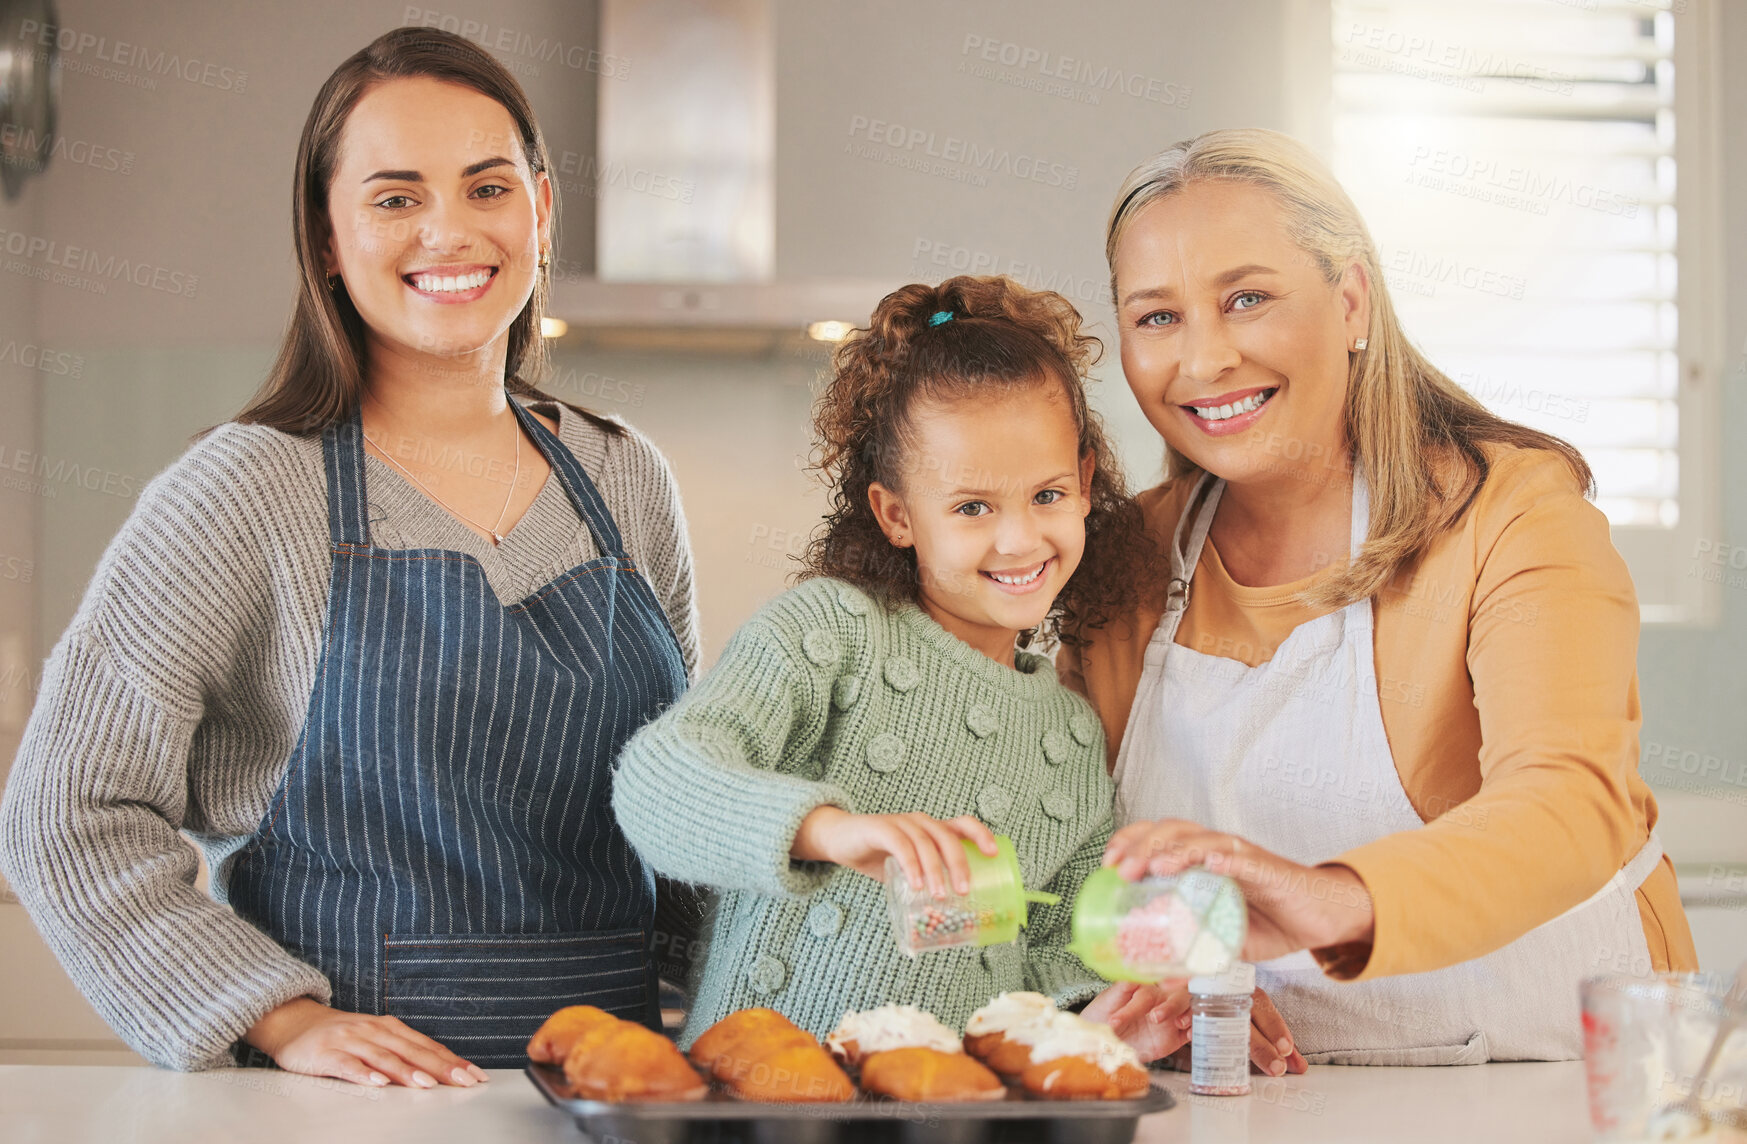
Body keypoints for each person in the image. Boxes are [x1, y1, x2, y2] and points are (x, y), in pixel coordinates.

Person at [0, 28, 698, 1085]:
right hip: (360, 1109)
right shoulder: (244, 488)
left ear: (542, 211)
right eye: (394, 197)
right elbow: (66, 809)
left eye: (487, 188)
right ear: (326, 237)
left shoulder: (625, 477)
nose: (449, 232)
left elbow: (687, 802)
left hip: (618, 1087)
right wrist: (280, 1018)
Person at [1061, 128, 1697, 1070]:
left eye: (1248, 299)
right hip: (1272, 1098)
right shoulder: (1121, 561)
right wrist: (1129, 992)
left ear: (1350, 299)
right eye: (1156, 317)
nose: (1203, 360)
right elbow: (1079, 855)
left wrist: (1335, 897)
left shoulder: (1509, 512)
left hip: (1555, 1076)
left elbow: (1570, 799)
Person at [613, 276, 1152, 1047]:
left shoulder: (1069, 733)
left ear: (1086, 484)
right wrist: (830, 831)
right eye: (972, 507)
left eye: (1047, 494)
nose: (1018, 539)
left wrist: (1118, 1011)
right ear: (896, 515)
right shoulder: (829, 634)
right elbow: (656, 782)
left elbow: (1052, 969)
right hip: (757, 1110)